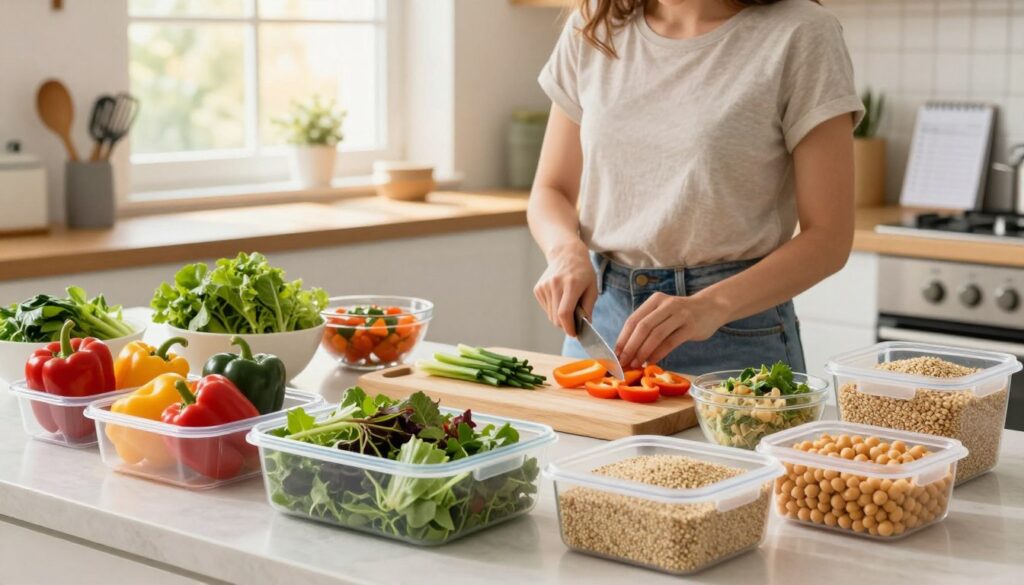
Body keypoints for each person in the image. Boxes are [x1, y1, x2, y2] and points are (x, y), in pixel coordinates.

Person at [528, 0, 864, 374]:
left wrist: (710, 305)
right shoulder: (595, 28)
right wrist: (565, 252)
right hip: (604, 327)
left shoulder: (801, 33)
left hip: (736, 333)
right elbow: (551, 189)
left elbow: (829, 239)